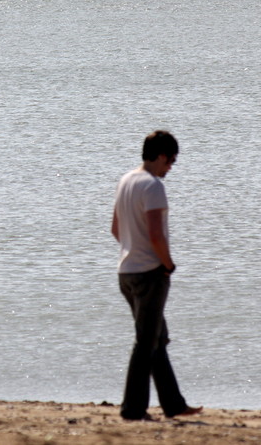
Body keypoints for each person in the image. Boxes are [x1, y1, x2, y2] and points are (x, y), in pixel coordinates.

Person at [111, 130, 202, 421]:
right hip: (150, 273)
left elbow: (116, 229)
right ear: (161, 156)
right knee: (145, 343)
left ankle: (174, 404)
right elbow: (155, 234)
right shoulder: (152, 186)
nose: (171, 168)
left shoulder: (126, 180)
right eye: (171, 161)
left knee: (156, 339)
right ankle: (133, 409)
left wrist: (132, 248)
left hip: (126, 272)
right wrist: (168, 264)